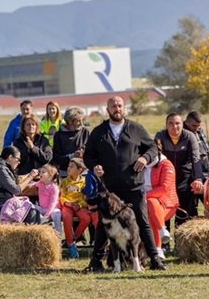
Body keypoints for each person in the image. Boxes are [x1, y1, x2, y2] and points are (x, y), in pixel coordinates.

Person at [83, 96, 166, 271]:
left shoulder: (136, 129)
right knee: (103, 225)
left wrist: (145, 157)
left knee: (142, 222)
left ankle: (155, 259)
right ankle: (95, 262)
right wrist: (94, 166)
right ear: (108, 110)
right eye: (113, 106)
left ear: (124, 108)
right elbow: (88, 155)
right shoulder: (99, 132)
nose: (117, 109)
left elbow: (152, 147)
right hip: (109, 189)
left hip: (133, 186)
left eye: (120, 106)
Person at [155, 113, 204, 228]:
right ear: (166, 125)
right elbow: (156, 158)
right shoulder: (160, 136)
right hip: (165, 180)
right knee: (163, 213)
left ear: (183, 124)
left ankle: (181, 244)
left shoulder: (189, 136)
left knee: (183, 214)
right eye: (170, 123)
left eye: (177, 123)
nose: (174, 126)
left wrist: (198, 179)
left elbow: (195, 158)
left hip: (184, 180)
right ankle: (164, 244)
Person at [0, 145, 38, 222]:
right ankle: (29, 234)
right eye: (18, 159)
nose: (19, 162)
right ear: (10, 157)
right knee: (31, 212)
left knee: (34, 211)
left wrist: (30, 175)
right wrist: (30, 176)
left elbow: (16, 181)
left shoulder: (3, 169)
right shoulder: (0, 170)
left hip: (5, 204)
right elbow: (16, 190)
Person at [145, 150, 178, 259]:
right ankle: (162, 231)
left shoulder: (166, 164)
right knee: (151, 208)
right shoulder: (139, 164)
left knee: (151, 207)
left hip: (166, 202)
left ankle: (158, 247)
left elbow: (164, 188)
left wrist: (145, 196)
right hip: (145, 202)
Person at [60, 158, 95, 258]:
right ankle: (71, 245)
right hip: (67, 206)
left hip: (79, 205)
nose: (68, 168)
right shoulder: (64, 182)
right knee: (66, 217)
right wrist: (69, 204)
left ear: (80, 170)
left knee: (87, 218)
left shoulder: (84, 182)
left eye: (72, 167)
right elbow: (62, 196)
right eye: (68, 166)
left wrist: (79, 205)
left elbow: (85, 197)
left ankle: (73, 238)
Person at [52, 106, 90, 178]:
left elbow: (92, 152)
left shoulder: (85, 132)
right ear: (69, 121)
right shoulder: (58, 135)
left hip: (83, 173)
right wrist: (72, 156)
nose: (80, 123)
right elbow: (56, 158)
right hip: (65, 174)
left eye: (81, 120)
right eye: (78, 120)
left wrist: (83, 153)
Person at [30, 164, 61, 235]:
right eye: (40, 172)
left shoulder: (54, 187)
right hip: (42, 209)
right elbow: (32, 185)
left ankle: (58, 235)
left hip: (52, 209)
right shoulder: (40, 183)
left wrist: (47, 215)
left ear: (50, 175)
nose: (40, 173)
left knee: (56, 214)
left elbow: (53, 204)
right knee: (30, 205)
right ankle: (45, 222)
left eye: (43, 172)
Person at [184, 111, 209, 176]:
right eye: (194, 126)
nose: (196, 128)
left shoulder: (199, 131)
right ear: (186, 123)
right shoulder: (183, 135)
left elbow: (207, 150)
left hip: (206, 170)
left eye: (198, 126)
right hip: (192, 174)